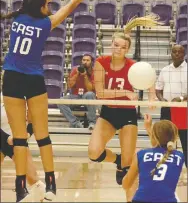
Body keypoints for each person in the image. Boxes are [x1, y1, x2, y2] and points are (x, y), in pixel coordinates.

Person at [1, 0, 106, 202]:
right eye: (45, 4)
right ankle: (51, 184)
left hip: (11, 79)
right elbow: (71, 4)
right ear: (41, 7)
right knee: (42, 136)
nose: (48, 5)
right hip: (32, 80)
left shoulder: (18, 18)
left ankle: (20, 190)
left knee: (19, 139)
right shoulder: (45, 24)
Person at [88, 15, 162, 202]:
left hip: (127, 114)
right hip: (108, 113)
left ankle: (130, 198)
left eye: (123, 47)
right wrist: (124, 93)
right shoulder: (101, 62)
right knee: (94, 153)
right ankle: (117, 160)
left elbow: (150, 79)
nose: (119, 49)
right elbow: (100, 93)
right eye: (116, 45)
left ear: (128, 49)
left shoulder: (133, 66)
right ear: (111, 44)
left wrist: (152, 97)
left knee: (129, 168)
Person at [122, 114, 185, 203]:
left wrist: (129, 171)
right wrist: (149, 129)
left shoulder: (141, 154)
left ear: (154, 136)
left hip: (140, 200)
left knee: (133, 184)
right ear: (175, 138)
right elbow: (161, 146)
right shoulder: (179, 156)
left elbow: (126, 185)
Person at [1, 104, 45, 202]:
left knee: (36, 183)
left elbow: (34, 120)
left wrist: (28, 133)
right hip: (3, 137)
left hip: (17, 140)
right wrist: (7, 138)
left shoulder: (26, 97)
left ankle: (21, 194)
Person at [156, 44, 187, 167]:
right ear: (171, 54)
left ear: (184, 54)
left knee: (185, 140)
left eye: (180, 52)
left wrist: (180, 98)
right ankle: (165, 166)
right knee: (165, 139)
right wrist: (163, 100)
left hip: (183, 109)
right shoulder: (165, 70)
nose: (177, 54)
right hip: (167, 109)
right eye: (174, 52)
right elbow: (158, 90)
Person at [58, 54, 97, 130]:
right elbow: (69, 86)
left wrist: (85, 76)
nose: (85, 62)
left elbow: (90, 89)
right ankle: (75, 123)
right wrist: (77, 74)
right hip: (76, 96)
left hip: (87, 97)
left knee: (90, 94)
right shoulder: (75, 70)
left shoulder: (94, 72)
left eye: (87, 60)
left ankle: (92, 122)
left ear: (91, 62)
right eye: (84, 60)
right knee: (60, 101)